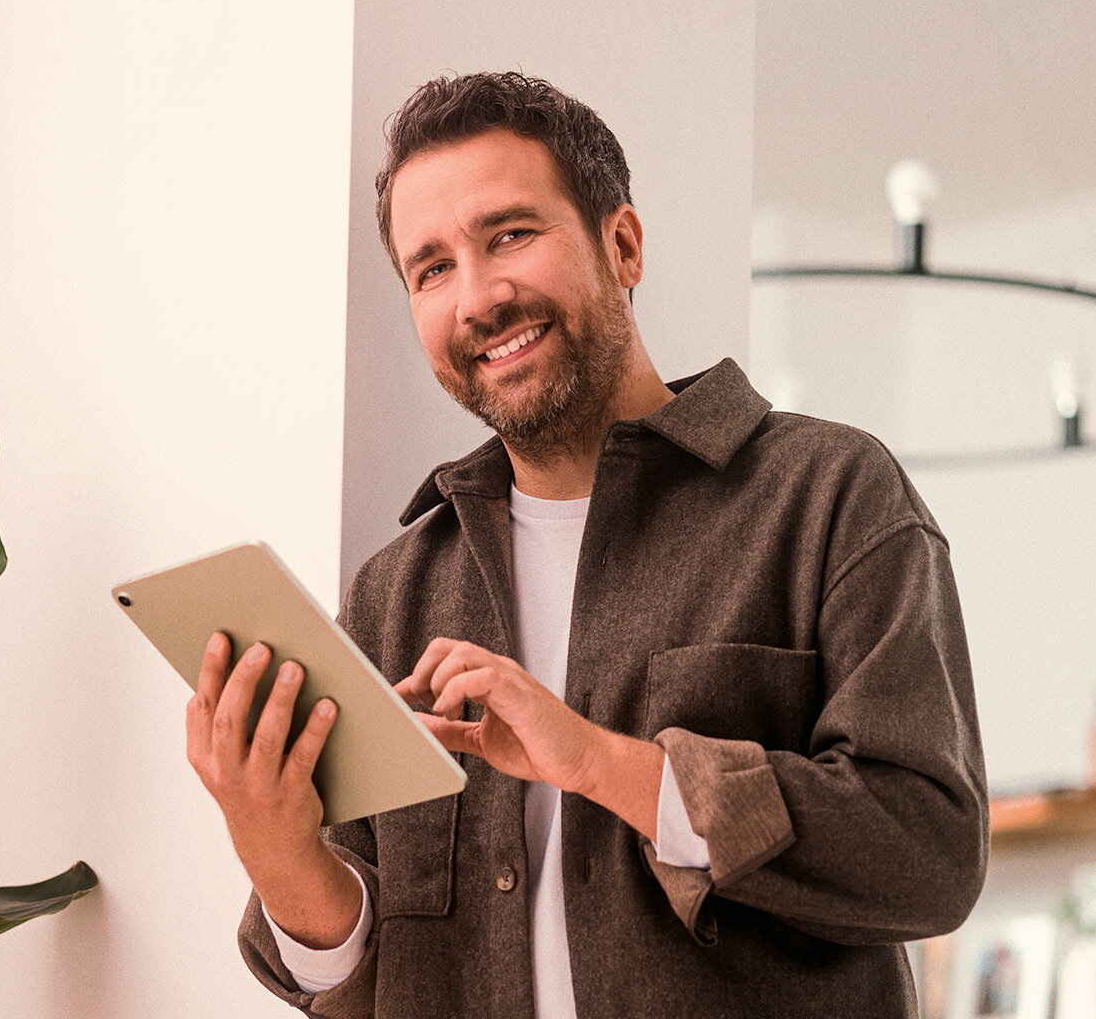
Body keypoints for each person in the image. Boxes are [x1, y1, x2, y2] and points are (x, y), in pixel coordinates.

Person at [184, 71, 988, 1019]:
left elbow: (929, 854)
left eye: (510, 236)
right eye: (431, 268)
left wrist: (598, 762)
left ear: (623, 243)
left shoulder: (826, 494)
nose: (477, 297)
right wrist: (275, 851)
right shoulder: (392, 596)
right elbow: (354, 986)